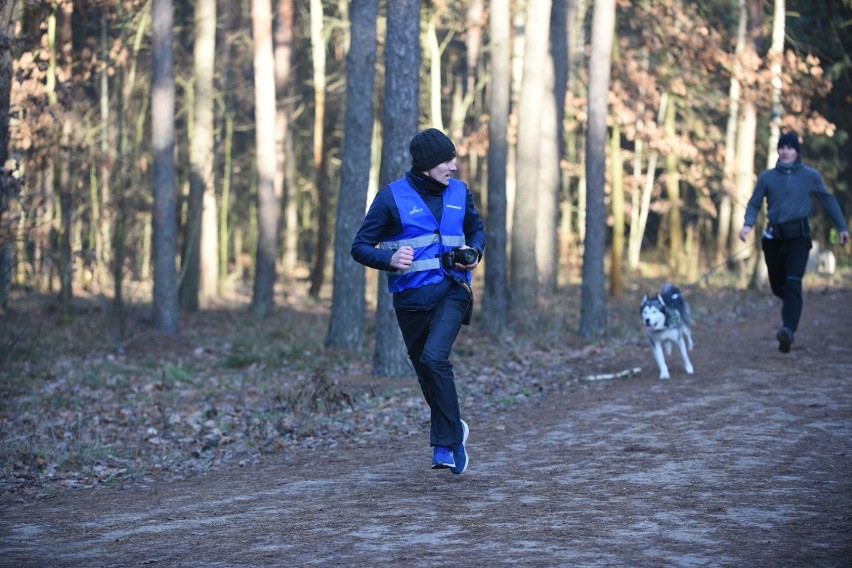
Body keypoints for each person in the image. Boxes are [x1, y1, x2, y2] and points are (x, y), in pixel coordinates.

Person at [351, 128, 486, 475]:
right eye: (447, 160)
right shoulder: (391, 198)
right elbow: (360, 246)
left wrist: (475, 252)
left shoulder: (460, 192)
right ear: (427, 165)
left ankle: (450, 443)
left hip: (452, 290)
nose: (454, 167)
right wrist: (389, 259)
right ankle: (448, 435)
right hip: (410, 301)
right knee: (426, 371)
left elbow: (477, 229)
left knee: (434, 358)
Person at [738, 131, 849, 353]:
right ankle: (791, 304)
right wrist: (748, 224)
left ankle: (788, 330)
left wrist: (842, 227)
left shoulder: (810, 176)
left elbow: (828, 200)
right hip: (774, 240)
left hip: (799, 239)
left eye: (790, 148)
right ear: (778, 150)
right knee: (779, 286)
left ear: (797, 152)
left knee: (793, 283)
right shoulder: (767, 178)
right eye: (782, 147)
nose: (786, 151)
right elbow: (754, 203)